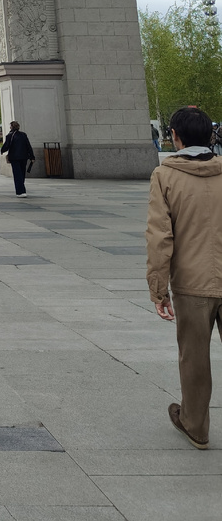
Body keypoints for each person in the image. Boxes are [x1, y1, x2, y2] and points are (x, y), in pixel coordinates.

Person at [146, 106, 222, 450]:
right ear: (210, 135)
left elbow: (160, 236)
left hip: (192, 283)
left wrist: (158, 289)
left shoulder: (165, 176)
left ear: (174, 136)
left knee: (194, 357)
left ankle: (196, 426)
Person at [1, 120, 35, 196]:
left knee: (17, 174)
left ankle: (20, 191)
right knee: (22, 174)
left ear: (11, 127)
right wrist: (32, 156)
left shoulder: (10, 135)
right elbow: (28, 146)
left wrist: (2, 151)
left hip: (14, 158)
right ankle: (22, 189)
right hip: (24, 157)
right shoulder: (23, 135)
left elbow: (6, 145)